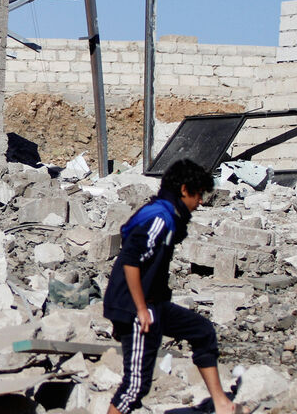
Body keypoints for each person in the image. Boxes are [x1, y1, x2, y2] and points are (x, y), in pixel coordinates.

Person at [102, 159, 243, 414]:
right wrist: (140, 308)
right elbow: (131, 261)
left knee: (202, 331)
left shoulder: (169, 215)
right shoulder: (159, 218)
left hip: (154, 304)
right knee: (135, 387)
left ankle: (222, 404)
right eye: (199, 194)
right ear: (184, 190)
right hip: (137, 308)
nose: (200, 201)